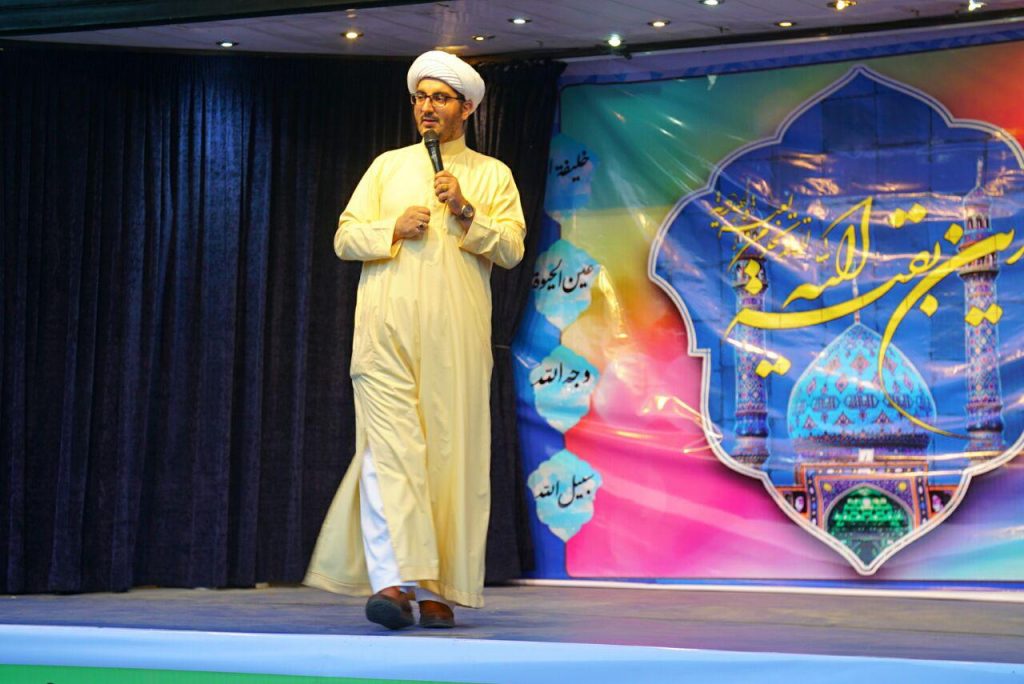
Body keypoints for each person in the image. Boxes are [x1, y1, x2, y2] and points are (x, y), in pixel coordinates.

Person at [304, 50, 526, 630]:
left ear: (466, 109)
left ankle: (436, 588)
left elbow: (511, 250)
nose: (427, 107)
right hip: (384, 338)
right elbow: (345, 238)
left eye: (440, 98)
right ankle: (393, 585)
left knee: (449, 461)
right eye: (421, 98)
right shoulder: (386, 167)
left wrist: (466, 210)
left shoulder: (492, 175)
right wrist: (392, 229)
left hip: (456, 342)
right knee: (389, 456)